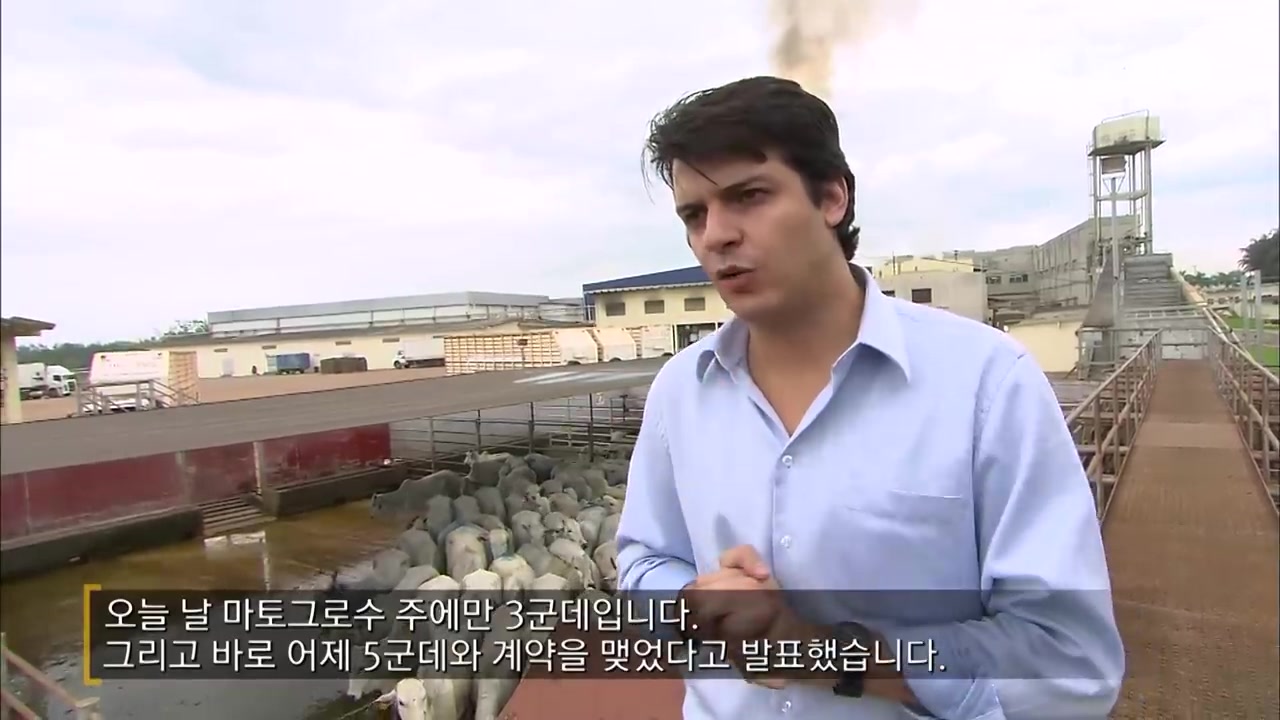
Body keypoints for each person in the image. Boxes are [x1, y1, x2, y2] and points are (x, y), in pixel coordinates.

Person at [614, 76, 1124, 720]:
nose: (716, 235)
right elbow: (644, 562)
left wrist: (830, 655)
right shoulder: (680, 390)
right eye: (694, 215)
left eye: (748, 196)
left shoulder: (987, 383)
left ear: (832, 197)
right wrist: (697, 603)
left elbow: (1068, 660)